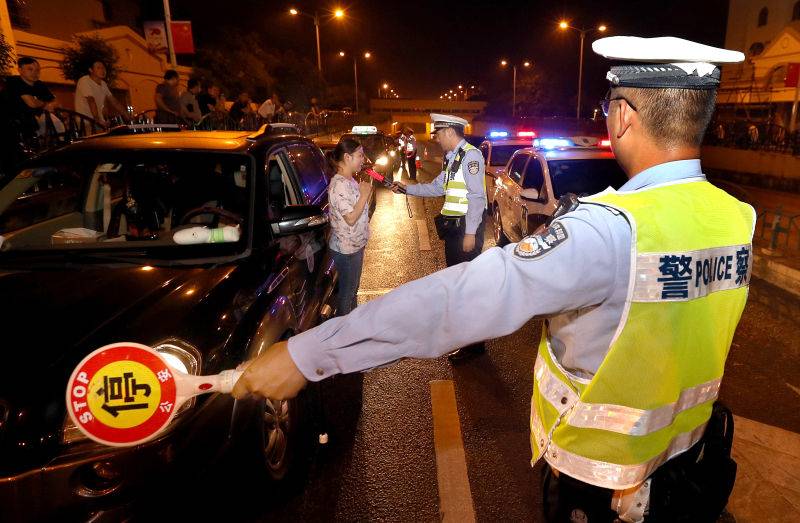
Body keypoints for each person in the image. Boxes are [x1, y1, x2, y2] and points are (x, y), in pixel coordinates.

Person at [232, 36, 754, 523]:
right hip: (688, 460)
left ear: (621, 116)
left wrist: (309, 354)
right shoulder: (735, 218)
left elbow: (459, 300)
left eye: (606, 106)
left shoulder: (610, 230)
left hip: (601, 481)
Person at [394, 113, 487, 361]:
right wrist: (407, 187)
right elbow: (438, 187)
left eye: (437, 135)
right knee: (459, 287)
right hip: (455, 230)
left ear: (448, 132)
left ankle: (473, 346)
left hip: (465, 231)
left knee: (464, 289)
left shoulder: (470, 156)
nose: (435, 140)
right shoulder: (453, 158)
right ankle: (473, 343)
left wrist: (470, 234)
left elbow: (477, 197)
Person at [325, 137, 373, 315]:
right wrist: (364, 195)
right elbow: (351, 218)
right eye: (360, 155)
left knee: (353, 291)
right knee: (347, 293)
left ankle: (353, 325)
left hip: (355, 246)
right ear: (347, 157)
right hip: (346, 250)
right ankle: (344, 332)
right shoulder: (339, 185)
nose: (363, 159)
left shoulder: (350, 180)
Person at [5, 56, 64, 138]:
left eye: (37, 70)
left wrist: (50, 105)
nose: (35, 73)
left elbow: (56, 102)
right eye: (30, 69)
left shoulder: (39, 84)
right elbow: (31, 103)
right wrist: (45, 105)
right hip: (12, 126)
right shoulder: (14, 82)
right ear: (20, 70)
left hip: (32, 126)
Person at [73, 60, 127, 130]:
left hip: (99, 122)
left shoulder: (103, 84)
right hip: (86, 122)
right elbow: (91, 100)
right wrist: (97, 119)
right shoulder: (84, 81)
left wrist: (127, 115)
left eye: (103, 68)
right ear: (91, 70)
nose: (102, 70)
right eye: (98, 68)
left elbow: (114, 102)